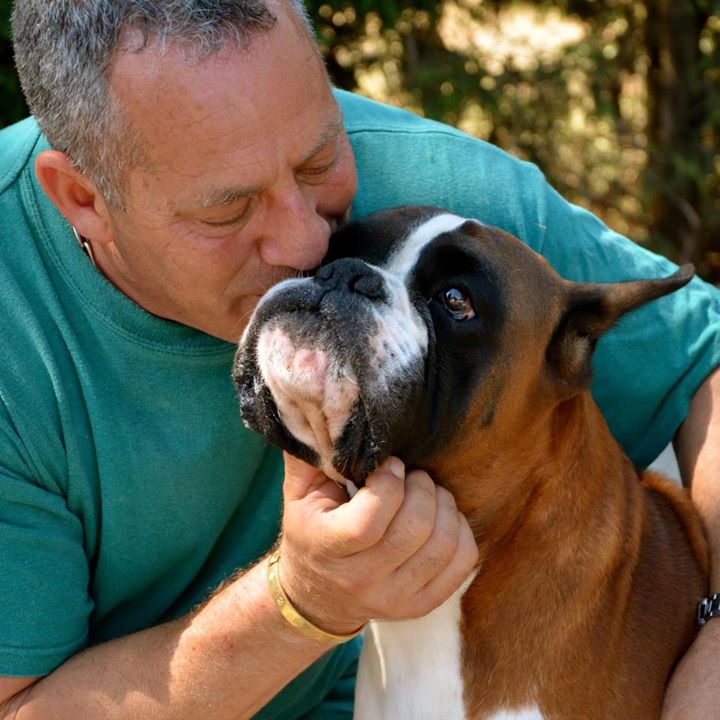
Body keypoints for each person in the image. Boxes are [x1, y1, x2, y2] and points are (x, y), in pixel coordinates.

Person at [0, 0, 717, 717]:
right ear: (82, 197)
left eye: (318, 163)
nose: (307, 242)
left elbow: (707, 354)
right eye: (229, 211)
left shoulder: (444, 197)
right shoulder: (14, 322)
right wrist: (298, 604)